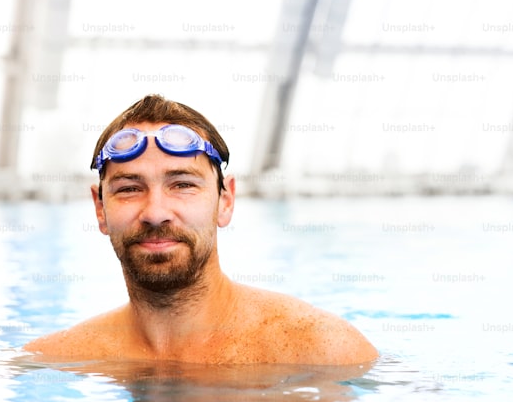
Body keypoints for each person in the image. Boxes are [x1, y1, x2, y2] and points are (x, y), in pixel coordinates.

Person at [24, 94, 377, 365]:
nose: (156, 213)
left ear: (225, 201)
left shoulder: (321, 350)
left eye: (182, 185)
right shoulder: (58, 359)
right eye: (130, 188)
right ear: (100, 208)